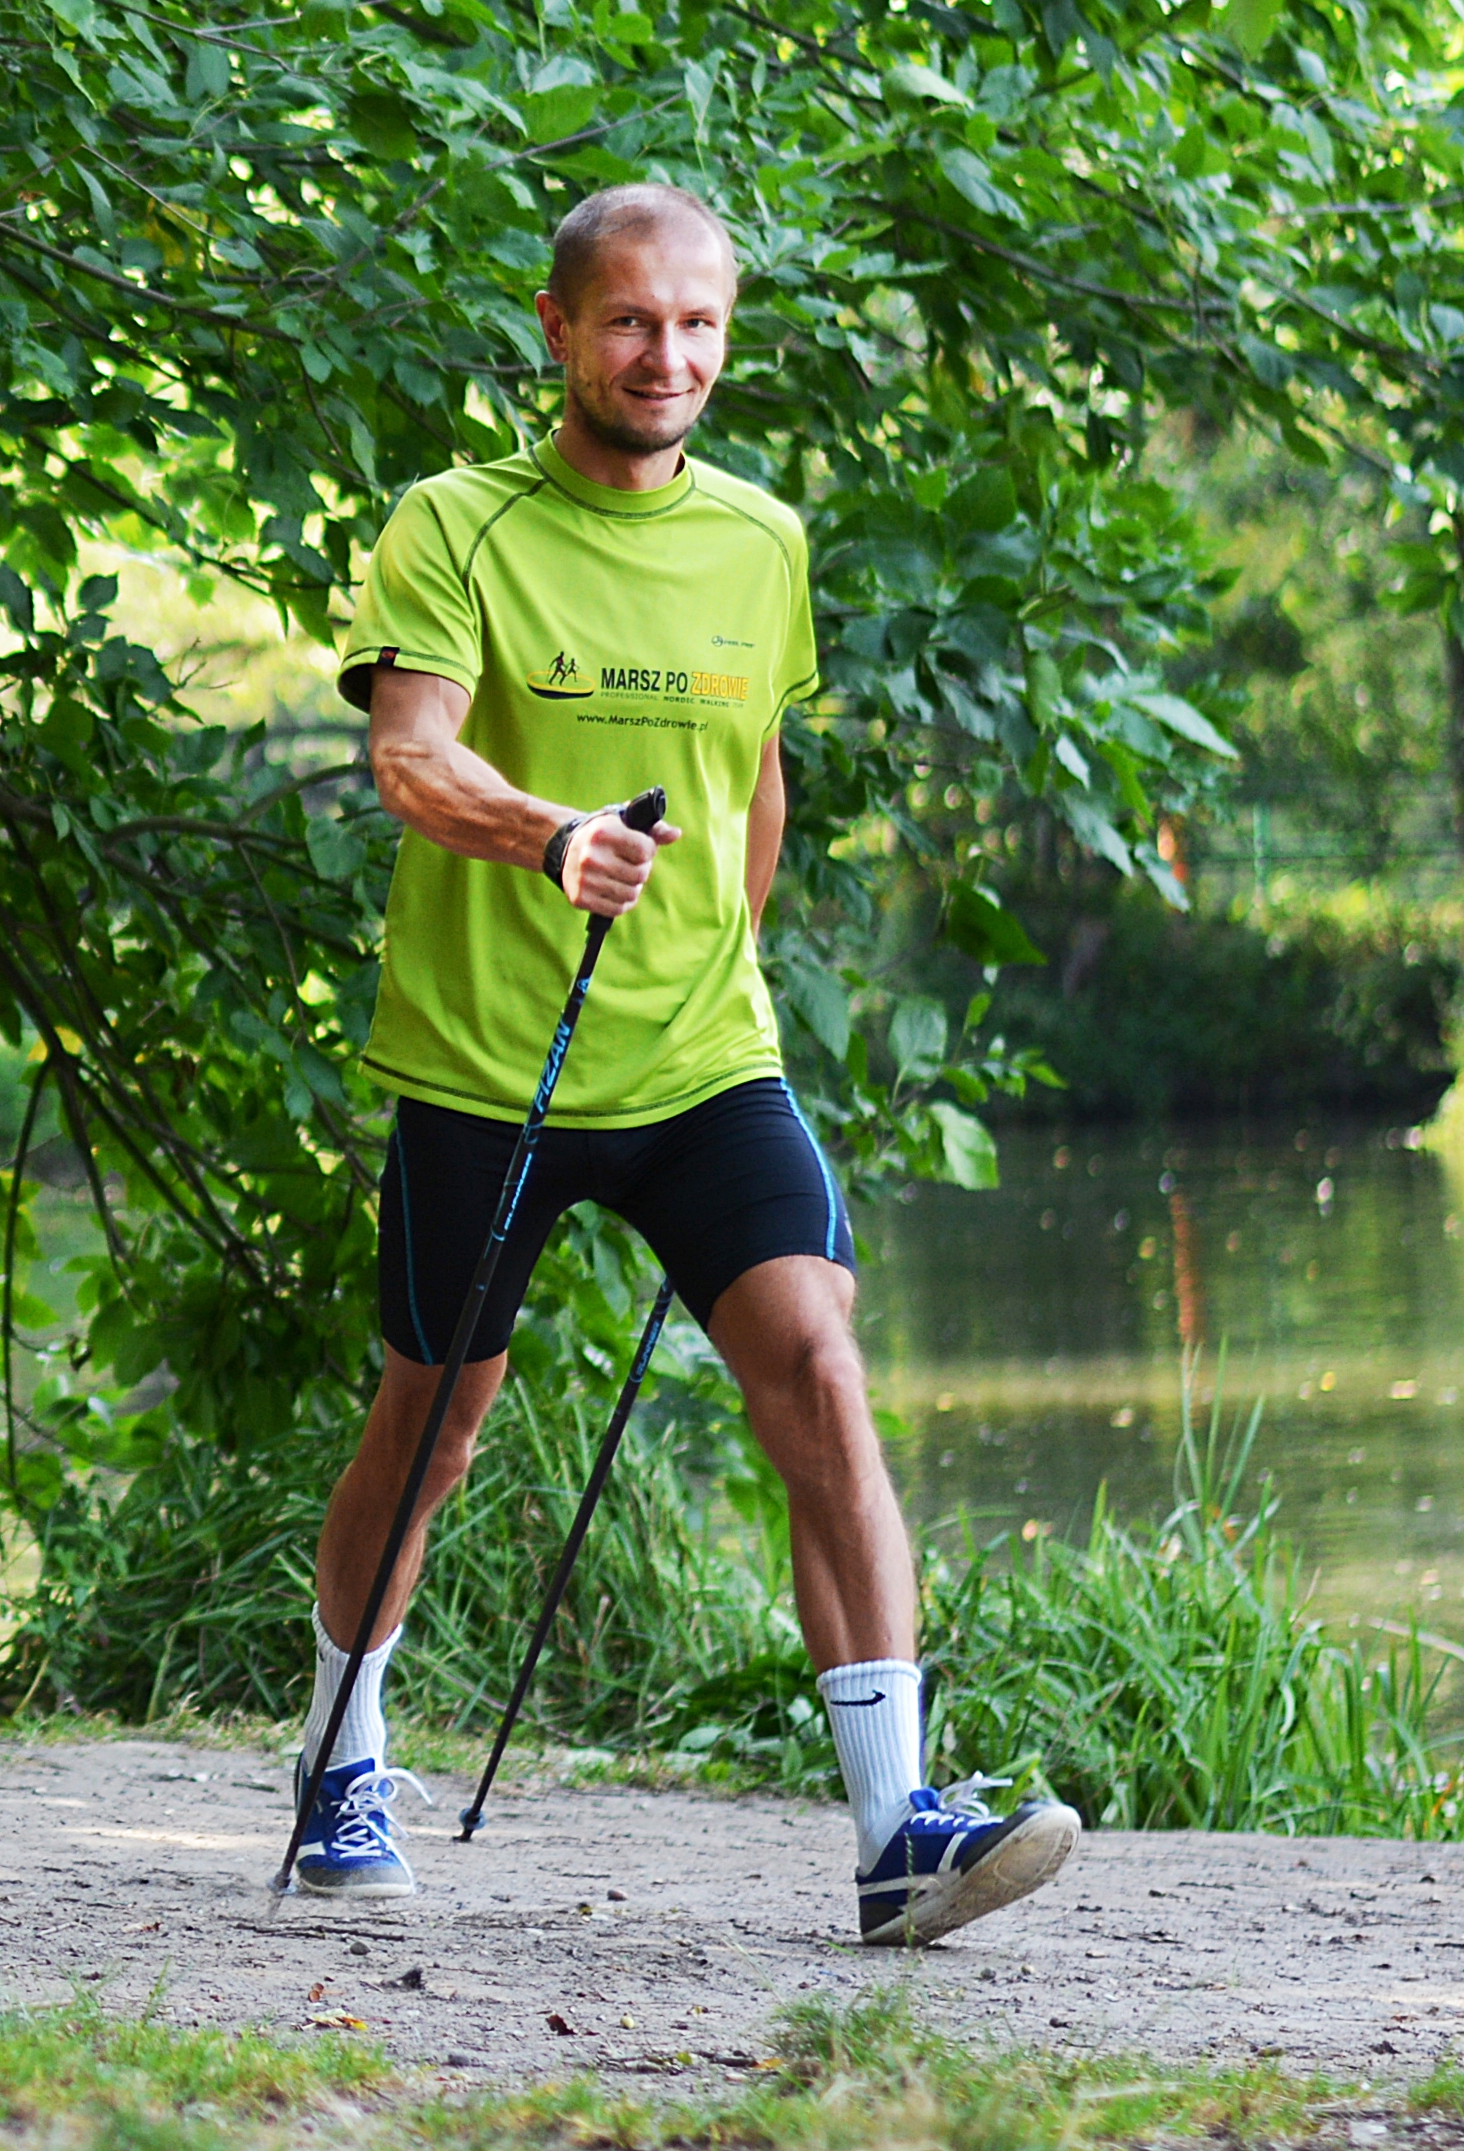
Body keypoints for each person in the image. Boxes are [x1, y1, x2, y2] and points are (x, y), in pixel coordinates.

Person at [294, 183, 1077, 1947]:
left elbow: (755, 780)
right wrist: (552, 834)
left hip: (710, 1058)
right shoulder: (458, 526)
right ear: (560, 330)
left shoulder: (761, 540)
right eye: (634, 322)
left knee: (816, 1359)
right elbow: (410, 759)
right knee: (434, 1427)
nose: (671, 356)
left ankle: (900, 1829)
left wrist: (721, 949)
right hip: (489, 1062)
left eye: (702, 325)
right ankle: (342, 1741)